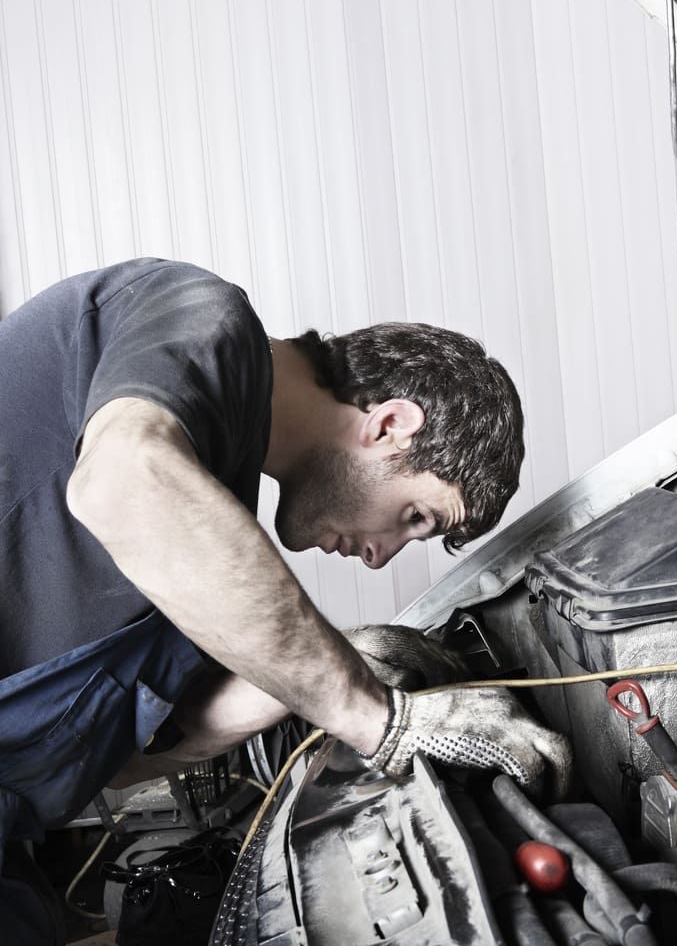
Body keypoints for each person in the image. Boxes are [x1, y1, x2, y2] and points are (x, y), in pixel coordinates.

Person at [0, 257, 570, 942]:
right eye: (416, 517)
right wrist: (373, 717)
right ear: (389, 424)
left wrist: (327, 670)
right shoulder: (204, 316)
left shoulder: (204, 521)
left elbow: (124, 762)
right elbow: (123, 483)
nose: (379, 554)